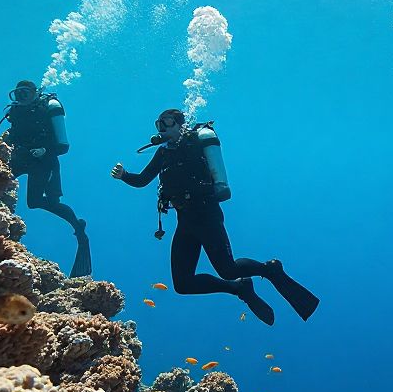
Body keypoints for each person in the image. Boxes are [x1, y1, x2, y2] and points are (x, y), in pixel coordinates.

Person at [112, 107, 318, 325]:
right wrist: (124, 175)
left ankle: (270, 270)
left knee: (228, 269)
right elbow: (143, 179)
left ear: (181, 123)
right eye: (158, 124)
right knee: (183, 284)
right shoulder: (163, 153)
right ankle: (239, 288)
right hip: (185, 220)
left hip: (206, 213)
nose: (161, 128)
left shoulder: (194, 141)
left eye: (167, 122)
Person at [0, 79, 92, 278]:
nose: (22, 98)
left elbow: (63, 146)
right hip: (22, 158)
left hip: (45, 161)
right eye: (18, 94)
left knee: (37, 202)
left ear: (35, 93)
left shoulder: (50, 108)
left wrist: (44, 150)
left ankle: (78, 227)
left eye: (26, 93)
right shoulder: (15, 113)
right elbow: (10, 137)